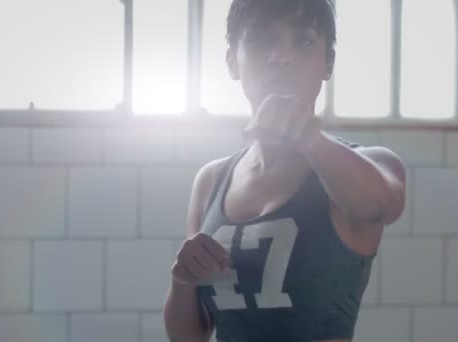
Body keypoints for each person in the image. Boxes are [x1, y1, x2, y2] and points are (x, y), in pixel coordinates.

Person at [164, 0, 406, 341]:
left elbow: (383, 204)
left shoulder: (370, 164)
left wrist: (310, 138)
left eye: (303, 41)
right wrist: (182, 280)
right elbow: (190, 336)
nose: (281, 56)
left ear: (328, 62)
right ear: (232, 60)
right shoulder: (211, 181)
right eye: (262, 40)